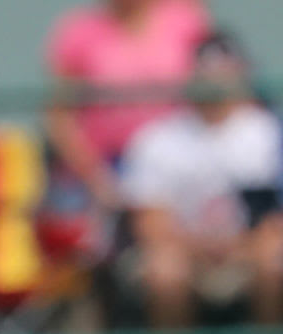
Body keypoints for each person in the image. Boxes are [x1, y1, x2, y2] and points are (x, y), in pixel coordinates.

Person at [118, 31, 283, 328]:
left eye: (224, 73)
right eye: (207, 73)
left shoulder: (264, 133)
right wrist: (203, 247)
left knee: (273, 259)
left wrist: (238, 248)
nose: (215, 83)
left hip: (243, 253)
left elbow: (274, 221)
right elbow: (150, 226)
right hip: (184, 253)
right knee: (165, 269)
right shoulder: (157, 139)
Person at [45, 0, 212, 258]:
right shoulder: (79, 30)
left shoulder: (186, 19)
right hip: (107, 168)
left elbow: (216, 89)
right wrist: (98, 179)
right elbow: (59, 117)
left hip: (177, 169)